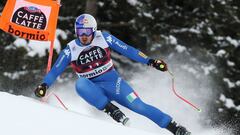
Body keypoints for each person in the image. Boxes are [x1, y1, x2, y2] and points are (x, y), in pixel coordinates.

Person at [34, 14, 191, 135]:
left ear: (93, 31)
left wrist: (150, 61)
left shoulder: (104, 38)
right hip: (93, 89)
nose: (83, 36)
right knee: (80, 84)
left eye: (87, 32)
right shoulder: (70, 49)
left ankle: (175, 128)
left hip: (115, 84)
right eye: (80, 32)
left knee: (139, 106)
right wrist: (44, 85)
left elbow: (128, 50)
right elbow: (55, 70)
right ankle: (112, 110)